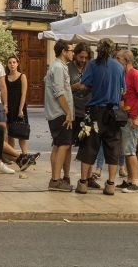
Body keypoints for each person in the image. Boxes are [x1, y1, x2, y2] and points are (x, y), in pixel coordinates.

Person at [72, 38, 126, 195]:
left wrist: (74, 88)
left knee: (88, 146)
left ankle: (83, 183)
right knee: (113, 147)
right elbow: (123, 91)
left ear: (98, 49)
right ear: (111, 50)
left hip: (95, 113)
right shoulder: (119, 67)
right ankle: (110, 184)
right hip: (113, 114)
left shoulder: (92, 65)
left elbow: (84, 85)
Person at [45, 40, 75, 191]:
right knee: (63, 145)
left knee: (58, 146)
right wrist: (68, 112)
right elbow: (59, 92)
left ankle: (55, 179)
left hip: (58, 113)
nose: (72, 53)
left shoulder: (58, 66)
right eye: (71, 50)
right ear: (64, 51)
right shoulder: (57, 67)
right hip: (59, 113)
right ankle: (56, 180)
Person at [116, 49, 138, 193]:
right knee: (126, 150)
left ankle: (135, 182)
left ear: (125, 60)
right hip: (126, 116)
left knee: (130, 150)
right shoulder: (124, 75)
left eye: (118, 58)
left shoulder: (135, 74)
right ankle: (129, 179)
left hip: (133, 117)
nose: (116, 61)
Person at [66, 42, 91, 186]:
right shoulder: (68, 68)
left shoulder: (90, 67)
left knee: (88, 146)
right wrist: (73, 87)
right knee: (67, 145)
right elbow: (61, 89)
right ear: (75, 55)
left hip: (87, 111)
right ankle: (66, 176)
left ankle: (88, 177)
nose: (83, 60)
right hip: (72, 111)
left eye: (86, 57)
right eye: (81, 57)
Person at [4, 56, 32, 165]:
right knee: (10, 134)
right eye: (10, 62)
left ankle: (26, 156)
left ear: (17, 64)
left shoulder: (22, 76)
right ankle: (13, 157)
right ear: (7, 65)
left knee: (21, 133)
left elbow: (23, 94)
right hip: (9, 107)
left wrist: (21, 110)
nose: (12, 64)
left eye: (14, 62)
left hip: (19, 107)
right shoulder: (5, 78)